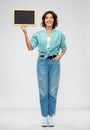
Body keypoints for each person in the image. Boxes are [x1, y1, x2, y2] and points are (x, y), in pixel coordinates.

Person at [21, 10, 67, 127]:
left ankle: (51, 116)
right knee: (43, 92)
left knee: (52, 91)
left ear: (54, 20)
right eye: (47, 17)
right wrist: (25, 32)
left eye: (51, 17)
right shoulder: (38, 34)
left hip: (54, 63)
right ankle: (44, 117)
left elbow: (64, 48)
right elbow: (30, 47)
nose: (49, 19)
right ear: (44, 20)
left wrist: (60, 56)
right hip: (42, 63)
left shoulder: (60, 34)